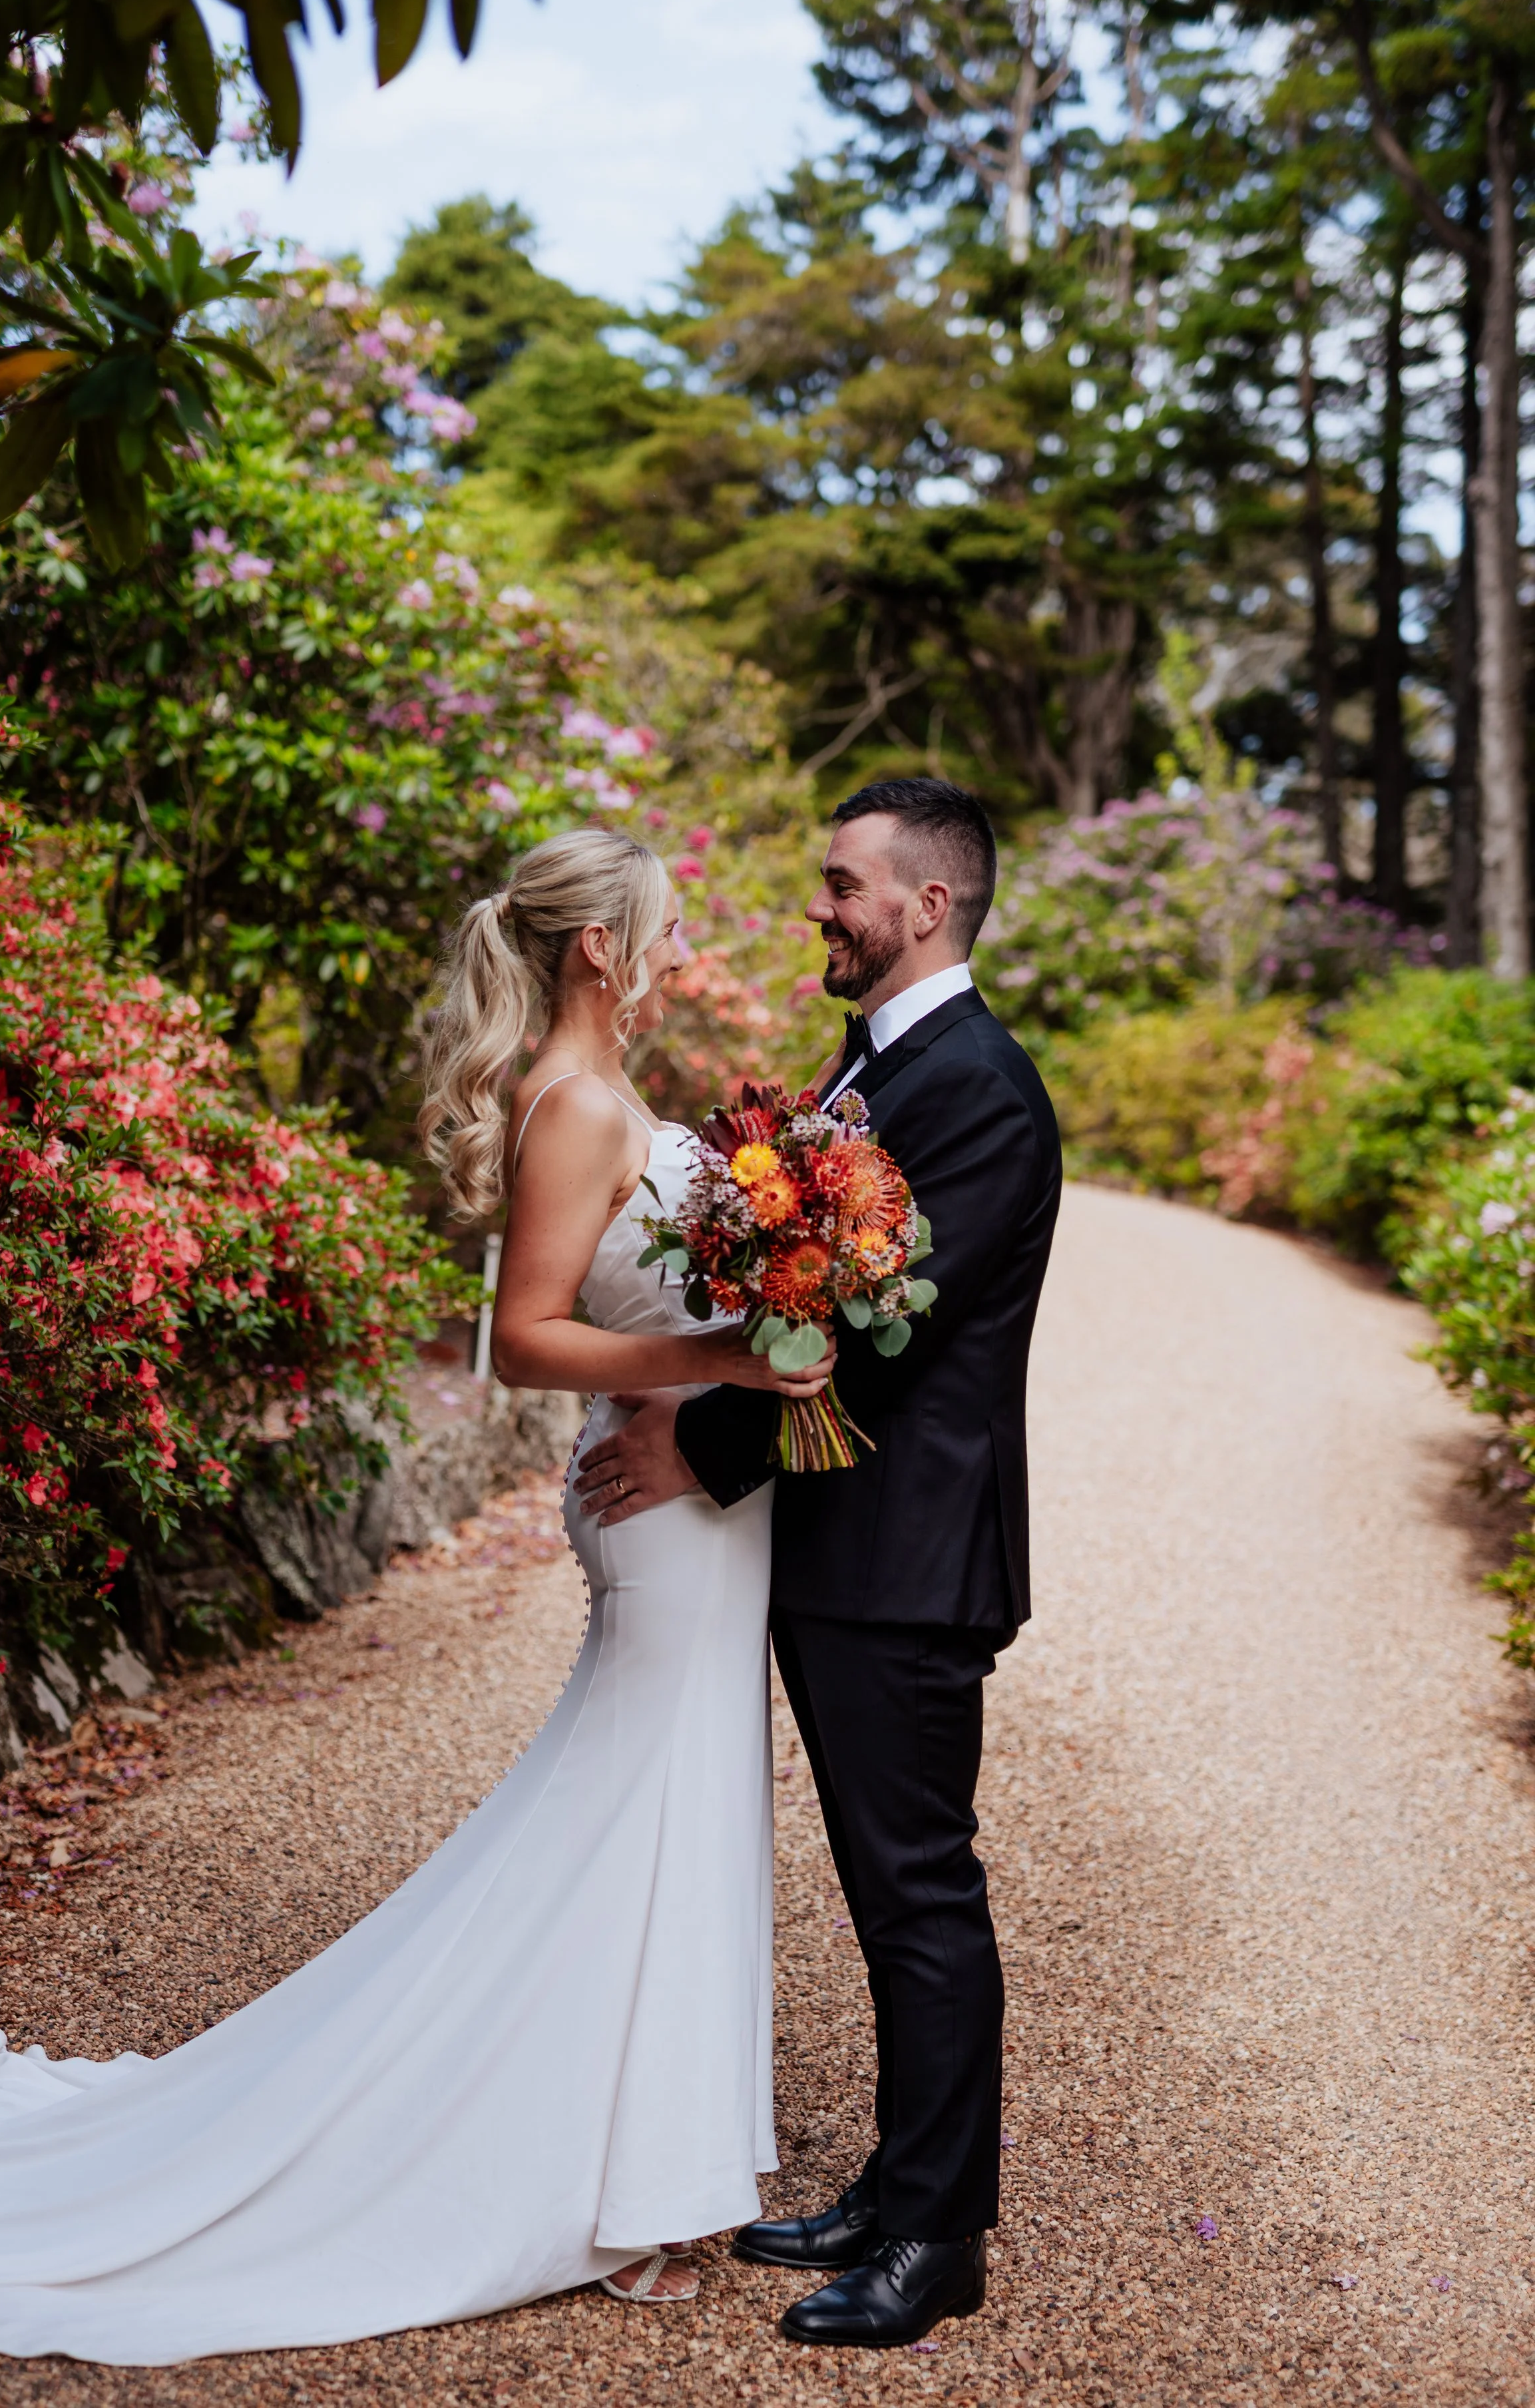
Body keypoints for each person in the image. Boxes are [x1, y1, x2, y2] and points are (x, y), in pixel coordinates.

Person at [0, 827, 831, 2366]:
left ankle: (644, 2163)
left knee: (659, 1809)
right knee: (644, 1811)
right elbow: (519, 1342)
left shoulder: (599, 1094)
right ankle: (619, 2184)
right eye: (657, 930)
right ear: (597, 947)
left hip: (691, 1505)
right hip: (663, 1516)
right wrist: (721, 1364)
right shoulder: (579, 1106)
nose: (670, 953)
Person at [575, 776, 1062, 2351]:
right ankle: (891, 2181)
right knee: (877, 1888)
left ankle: (937, 2238)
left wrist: (692, 1448)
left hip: (909, 1559)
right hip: (840, 1544)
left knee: (919, 1892)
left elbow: (887, 1334)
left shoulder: (979, 1089)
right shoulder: (873, 1063)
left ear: (926, 904)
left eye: (843, 885)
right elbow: (807, 1283)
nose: (821, 910)